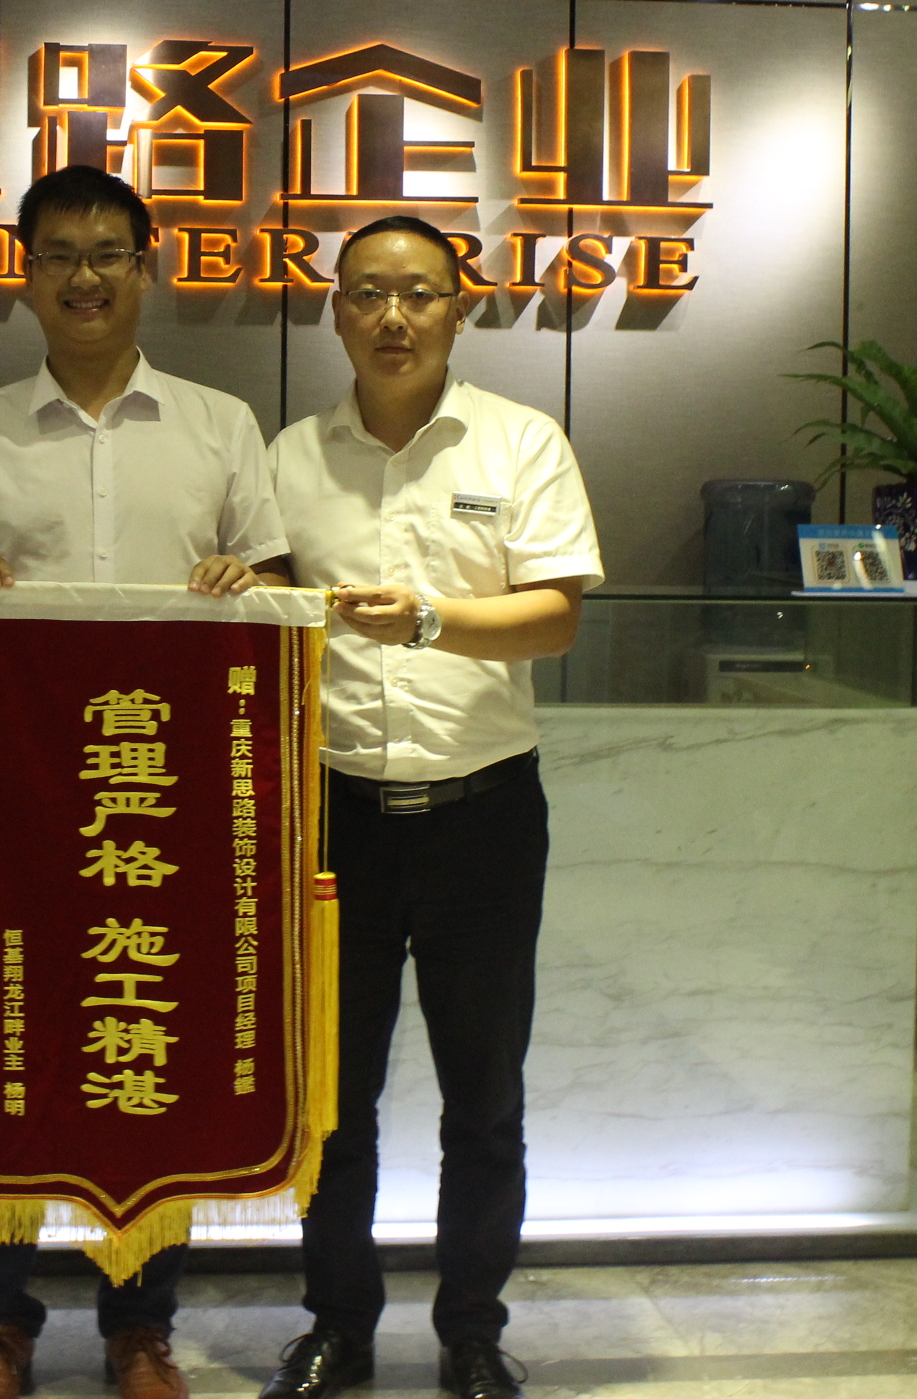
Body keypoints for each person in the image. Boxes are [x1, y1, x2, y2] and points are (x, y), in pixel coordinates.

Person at [0, 164, 295, 1399]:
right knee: (4, 1033)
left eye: (107, 253)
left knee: (150, 1036)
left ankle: (141, 1322)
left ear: (146, 268)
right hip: (13, 808)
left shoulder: (221, 425)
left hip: (165, 805)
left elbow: (281, 593)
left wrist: (242, 582)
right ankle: (0, 1320)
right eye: (58, 254)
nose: (84, 276)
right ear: (22, 275)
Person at [260, 216, 601, 1399]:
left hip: (482, 817)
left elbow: (555, 618)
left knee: (484, 1099)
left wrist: (425, 620)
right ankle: (338, 1326)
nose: (393, 317)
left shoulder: (521, 440)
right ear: (335, 313)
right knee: (331, 1103)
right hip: (335, 815)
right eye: (367, 293)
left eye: (418, 294)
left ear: (463, 308)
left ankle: (472, 1333)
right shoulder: (288, 459)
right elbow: (262, 613)